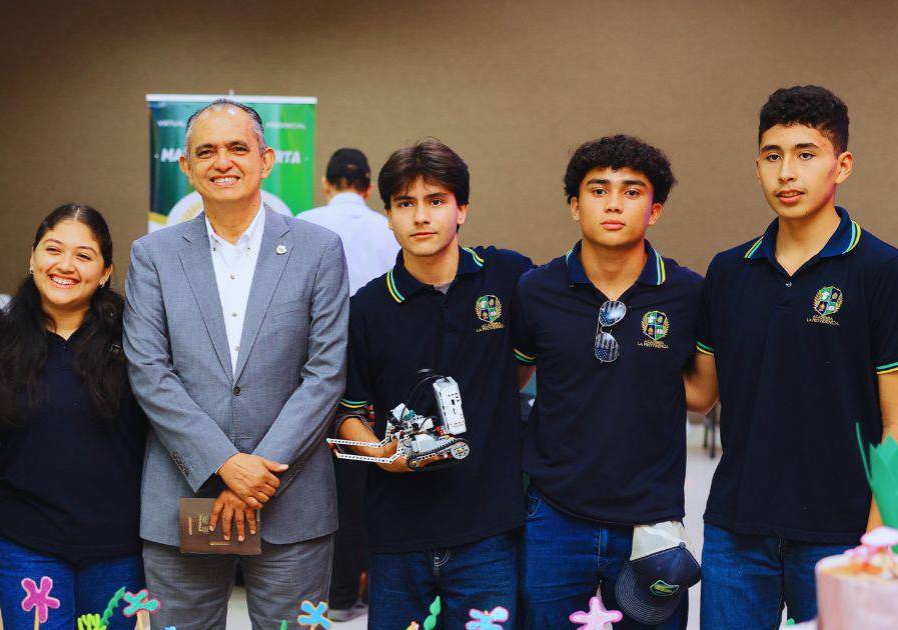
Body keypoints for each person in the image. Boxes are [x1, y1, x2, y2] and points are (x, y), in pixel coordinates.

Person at [689, 85, 898, 627]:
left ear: (842, 166)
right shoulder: (728, 271)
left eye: (806, 154)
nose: (787, 173)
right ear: (757, 168)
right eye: (772, 156)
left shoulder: (884, 270)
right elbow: (701, 394)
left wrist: (877, 536)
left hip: (843, 533)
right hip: (737, 527)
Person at [123, 98, 349, 629]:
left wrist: (258, 470)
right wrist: (224, 463)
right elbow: (149, 372)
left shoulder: (318, 249)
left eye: (237, 148)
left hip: (291, 500)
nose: (222, 161)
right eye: (206, 151)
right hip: (184, 497)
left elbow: (325, 373)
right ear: (186, 167)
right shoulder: (153, 255)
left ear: (265, 160)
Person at [333, 139, 534, 629]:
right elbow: (348, 415)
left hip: (490, 529)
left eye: (436, 201)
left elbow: (523, 365)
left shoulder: (507, 276)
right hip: (398, 532)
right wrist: (384, 455)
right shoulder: (366, 309)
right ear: (388, 215)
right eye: (405, 203)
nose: (421, 216)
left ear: (462, 209)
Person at [513, 135, 700, 629]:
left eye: (631, 191)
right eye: (598, 190)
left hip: (650, 519)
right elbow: (515, 379)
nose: (614, 203)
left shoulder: (687, 293)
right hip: (553, 515)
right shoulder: (536, 290)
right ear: (575, 205)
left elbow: (702, 396)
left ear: (654, 210)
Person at [0, 204, 147, 630]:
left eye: (83, 255)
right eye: (53, 249)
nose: (65, 265)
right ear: (32, 257)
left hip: (117, 546)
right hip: (29, 541)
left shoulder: (137, 338)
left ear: (105, 271)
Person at [297, 147, 398, 621]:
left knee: (329, 490)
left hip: (313, 374)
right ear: (369, 185)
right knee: (377, 484)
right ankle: (379, 591)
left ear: (326, 182)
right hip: (380, 372)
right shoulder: (387, 227)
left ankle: (336, 595)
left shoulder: (302, 224)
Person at [297, 147, 400, 295]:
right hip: (376, 309)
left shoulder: (303, 222)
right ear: (369, 189)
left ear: (325, 184)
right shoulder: (390, 228)